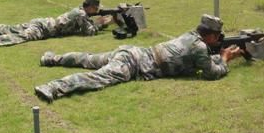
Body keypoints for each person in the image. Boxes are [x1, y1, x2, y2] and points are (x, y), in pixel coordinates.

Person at [34, 14, 243, 103]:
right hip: (133, 64)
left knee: (88, 59)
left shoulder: (190, 37)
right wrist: (225, 58)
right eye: (217, 36)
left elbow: (201, 60)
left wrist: (218, 55)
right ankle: (52, 87)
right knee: (98, 78)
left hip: (132, 52)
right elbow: (211, 73)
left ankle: (52, 58)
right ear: (211, 35)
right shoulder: (199, 48)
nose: (217, 39)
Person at [0, 0, 112, 49]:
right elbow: (89, 32)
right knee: (21, 36)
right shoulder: (81, 15)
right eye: (97, 8)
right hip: (43, 29)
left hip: (43, 22)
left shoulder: (79, 10)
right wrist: (102, 23)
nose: (98, 10)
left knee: (10, 28)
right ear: (92, 7)